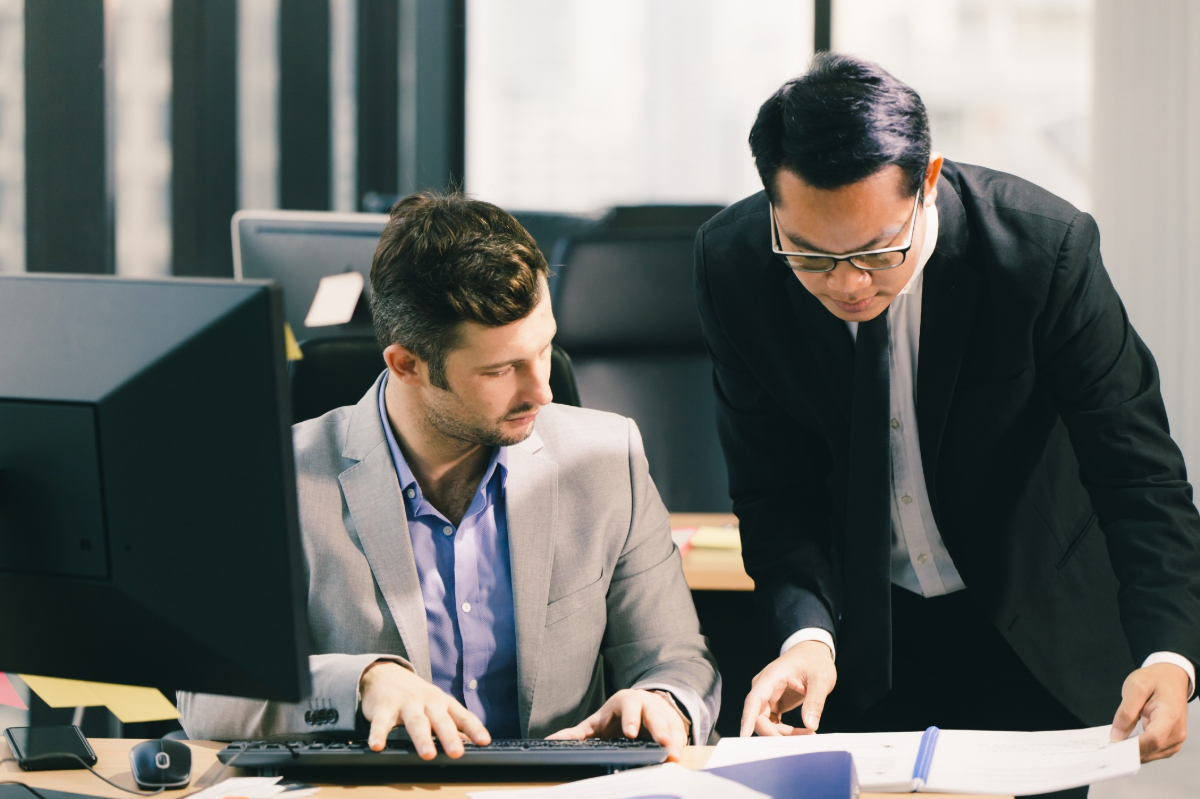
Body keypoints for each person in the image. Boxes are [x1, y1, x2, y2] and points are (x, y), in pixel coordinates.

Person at [694, 53, 1199, 795]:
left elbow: (1137, 474)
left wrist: (1170, 654)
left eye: (876, 251)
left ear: (926, 182)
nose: (847, 284)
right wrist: (807, 634)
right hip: (859, 643)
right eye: (811, 256)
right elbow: (774, 489)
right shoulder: (733, 265)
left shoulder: (1043, 252)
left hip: (1027, 633)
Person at [180, 192, 720, 761]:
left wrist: (664, 700)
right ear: (407, 365)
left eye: (545, 348)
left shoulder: (609, 458)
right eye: (501, 368)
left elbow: (678, 657)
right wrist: (362, 682)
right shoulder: (279, 477)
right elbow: (209, 696)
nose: (543, 389)